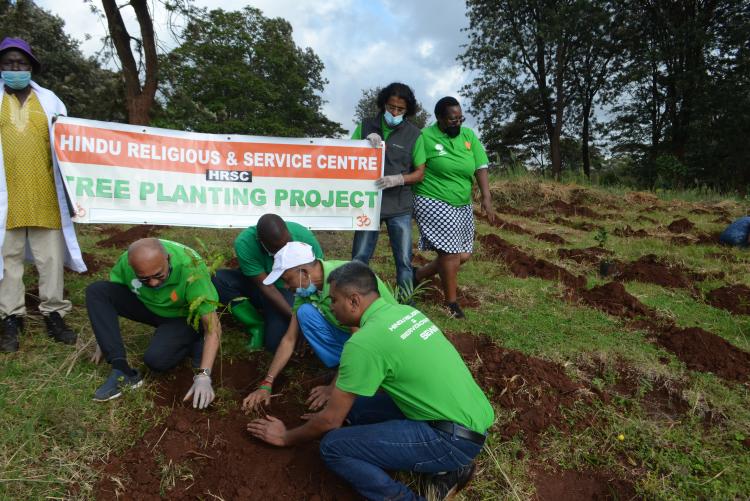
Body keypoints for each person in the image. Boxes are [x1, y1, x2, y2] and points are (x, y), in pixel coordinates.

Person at [247, 261, 494, 501]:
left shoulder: (363, 343)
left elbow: (331, 421)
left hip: (452, 439)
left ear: (354, 300)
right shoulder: (405, 312)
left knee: (333, 446)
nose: (330, 307)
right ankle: (449, 470)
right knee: (354, 407)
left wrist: (285, 437)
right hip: (470, 422)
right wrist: (330, 416)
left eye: (334, 300)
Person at [0, 37, 86, 353]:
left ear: (31, 67)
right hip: (6, 196)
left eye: (20, 63)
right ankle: (11, 317)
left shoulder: (50, 100)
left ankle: (54, 314)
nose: (14, 69)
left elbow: (70, 146)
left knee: (49, 259)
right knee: (7, 259)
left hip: (45, 192)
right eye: (8, 63)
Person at [241, 242, 396, 412]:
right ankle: (345, 368)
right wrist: (267, 383)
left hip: (384, 340)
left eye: (286, 279)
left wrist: (334, 388)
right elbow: (289, 339)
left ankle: (363, 375)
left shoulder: (344, 281)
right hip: (358, 337)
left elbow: (358, 339)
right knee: (304, 313)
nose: (286, 286)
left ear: (304, 273)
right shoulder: (307, 289)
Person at [86, 238, 221, 408]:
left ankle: (193, 337)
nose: (154, 283)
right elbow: (111, 297)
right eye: (144, 279)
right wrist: (105, 338)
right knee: (97, 291)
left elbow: (213, 328)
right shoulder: (127, 261)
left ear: (168, 258)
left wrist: (204, 375)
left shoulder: (191, 269)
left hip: (182, 317)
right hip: (148, 306)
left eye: (159, 275)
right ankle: (122, 371)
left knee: (156, 361)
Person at [412, 96, 495, 319]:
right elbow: (417, 167)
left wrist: (486, 196)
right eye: (452, 120)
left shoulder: (468, 135)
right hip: (432, 198)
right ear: (439, 118)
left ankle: (418, 274)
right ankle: (451, 303)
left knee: (463, 255)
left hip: (462, 201)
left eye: (460, 119)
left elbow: (480, 165)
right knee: (449, 253)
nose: (457, 124)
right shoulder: (425, 137)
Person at [351, 83, 425, 299]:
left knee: (403, 260)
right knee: (359, 257)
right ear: (383, 104)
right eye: (391, 107)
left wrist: (399, 179)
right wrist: (362, 146)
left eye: (400, 110)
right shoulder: (365, 126)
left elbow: (420, 173)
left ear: (407, 110)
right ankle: (354, 299)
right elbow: (345, 156)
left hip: (399, 206)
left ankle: (406, 302)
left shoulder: (414, 135)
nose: (394, 112)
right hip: (368, 204)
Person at [212, 214, 323, 351]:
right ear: (260, 241)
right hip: (261, 285)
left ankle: (274, 318)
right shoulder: (245, 243)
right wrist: (296, 321)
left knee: (274, 343)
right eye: (276, 248)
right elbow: (267, 286)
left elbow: (318, 278)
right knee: (218, 278)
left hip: (288, 290)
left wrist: (307, 320)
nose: (283, 251)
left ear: (288, 232)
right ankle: (255, 324)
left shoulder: (304, 237)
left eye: (287, 243)